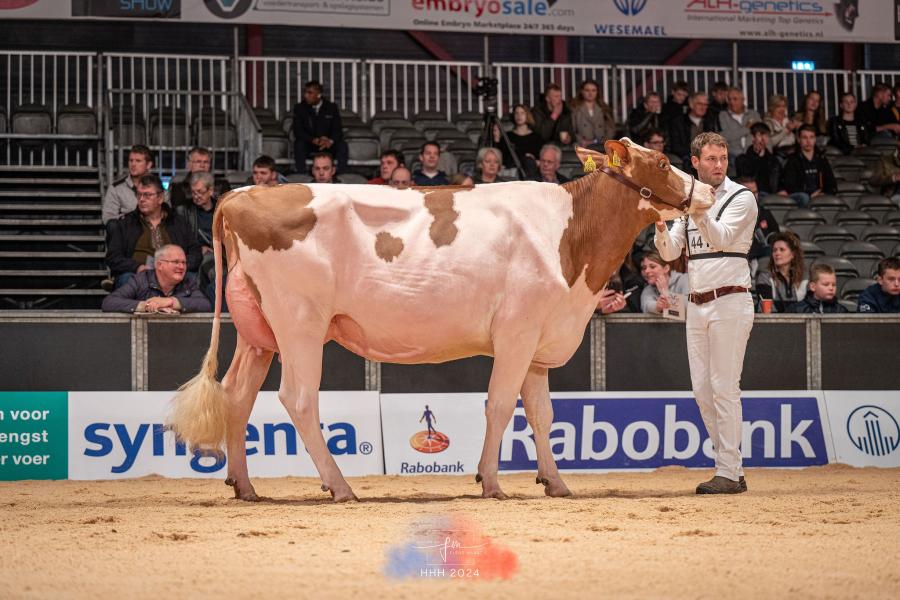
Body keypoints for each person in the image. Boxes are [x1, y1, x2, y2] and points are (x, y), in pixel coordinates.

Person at [654, 132, 757, 494]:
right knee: (702, 390)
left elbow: (722, 239)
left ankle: (728, 471)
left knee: (724, 387)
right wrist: (661, 224)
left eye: (723, 158)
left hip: (731, 299)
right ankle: (732, 467)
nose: (718, 165)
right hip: (697, 304)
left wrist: (696, 210)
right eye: (711, 159)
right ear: (695, 162)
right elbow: (669, 254)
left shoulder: (742, 197)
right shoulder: (689, 204)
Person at [105, 174, 201, 289]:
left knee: (192, 280)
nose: (141, 199)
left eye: (147, 195)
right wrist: (137, 267)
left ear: (160, 198)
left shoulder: (177, 222)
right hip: (137, 275)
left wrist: (179, 266)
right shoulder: (126, 223)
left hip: (173, 275)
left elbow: (196, 252)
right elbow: (113, 257)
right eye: (139, 194)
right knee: (127, 280)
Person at [101, 244, 211, 314]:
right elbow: (109, 302)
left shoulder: (188, 281)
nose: (182, 267)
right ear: (159, 265)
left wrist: (169, 302)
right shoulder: (141, 280)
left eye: (184, 262)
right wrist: (146, 306)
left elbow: (205, 305)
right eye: (176, 262)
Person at [175, 171, 218, 296]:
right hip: (195, 253)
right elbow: (180, 239)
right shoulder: (183, 211)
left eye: (200, 192)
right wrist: (199, 248)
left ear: (210, 191)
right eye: (193, 192)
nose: (196, 196)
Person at [292, 80, 348, 174]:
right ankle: (301, 175)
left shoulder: (331, 107)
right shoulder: (300, 108)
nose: (306, 95)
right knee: (299, 144)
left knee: (342, 145)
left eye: (309, 93)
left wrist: (329, 141)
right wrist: (314, 140)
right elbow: (298, 131)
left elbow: (337, 130)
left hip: (328, 144)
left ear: (318, 95)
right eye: (305, 92)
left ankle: (340, 175)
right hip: (310, 143)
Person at [778, 125, 838, 207]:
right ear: (799, 140)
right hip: (802, 196)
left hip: (819, 195)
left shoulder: (821, 159)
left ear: (815, 139)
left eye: (811, 137)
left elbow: (832, 184)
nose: (808, 141)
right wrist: (810, 194)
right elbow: (790, 186)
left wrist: (823, 193)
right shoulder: (792, 160)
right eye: (804, 137)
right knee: (804, 197)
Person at [755, 231, 806, 313]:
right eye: (774, 250)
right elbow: (767, 308)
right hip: (772, 324)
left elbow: (807, 307)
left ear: (793, 254)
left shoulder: (803, 278)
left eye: (782, 250)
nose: (777, 253)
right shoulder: (764, 277)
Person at [102, 144, 154, 224]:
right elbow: (108, 219)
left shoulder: (158, 188)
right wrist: (131, 219)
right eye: (131, 160)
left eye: (138, 161)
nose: (133, 164)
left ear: (149, 165)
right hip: (126, 234)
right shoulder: (116, 189)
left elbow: (166, 216)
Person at [737, 177, 780, 273]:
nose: (754, 196)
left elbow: (776, 236)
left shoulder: (765, 213)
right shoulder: (731, 215)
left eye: (755, 192)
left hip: (764, 258)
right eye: (750, 193)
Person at [166, 146, 230, 208]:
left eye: (206, 162)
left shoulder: (222, 185)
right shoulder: (178, 186)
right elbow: (177, 209)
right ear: (189, 164)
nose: (202, 165)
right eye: (198, 162)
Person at [667, 92, 719, 166]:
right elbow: (676, 146)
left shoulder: (710, 121)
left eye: (705, 105)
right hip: (686, 156)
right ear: (691, 105)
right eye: (700, 104)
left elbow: (715, 142)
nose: (703, 107)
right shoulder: (678, 122)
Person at [495, 103, 544, 177]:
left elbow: (540, 159)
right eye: (516, 113)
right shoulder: (508, 136)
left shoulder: (536, 137)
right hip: (512, 171)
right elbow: (503, 158)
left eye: (522, 113)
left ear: (527, 115)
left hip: (531, 171)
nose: (519, 116)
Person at [735, 122, 781, 195]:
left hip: (770, 194)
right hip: (753, 193)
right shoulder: (742, 159)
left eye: (766, 136)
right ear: (753, 138)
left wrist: (781, 190)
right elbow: (746, 178)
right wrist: (756, 155)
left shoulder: (773, 160)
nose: (763, 139)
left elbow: (778, 180)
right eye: (760, 135)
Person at [718, 87, 760, 166]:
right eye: (729, 99)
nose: (731, 102)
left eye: (735, 99)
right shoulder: (723, 115)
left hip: (754, 153)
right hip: (733, 156)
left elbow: (762, 134)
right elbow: (725, 136)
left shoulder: (754, 114)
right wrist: (747, 129)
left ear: (743, 100)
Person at [570, 79, 615, 149]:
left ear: (597, 92)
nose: (590, 93)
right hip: (582, 145)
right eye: (587, 90)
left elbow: (610, 128)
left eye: (593, 90)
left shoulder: (604, 108)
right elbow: (572, 129)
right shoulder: (575, 109)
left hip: (601, 145)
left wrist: (605, 141)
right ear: (582, 91)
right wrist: (581, 141)